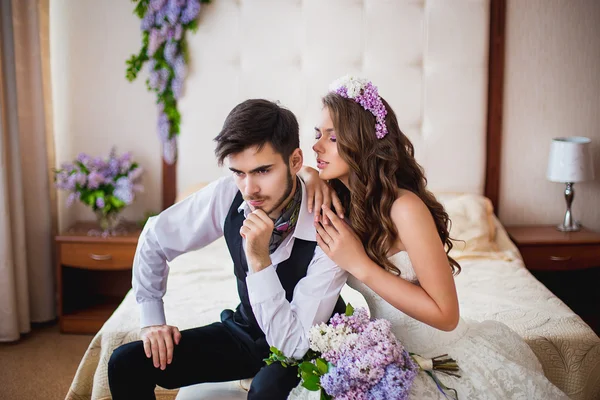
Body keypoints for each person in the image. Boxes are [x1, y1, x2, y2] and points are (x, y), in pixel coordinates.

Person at [289, 76, 568, 399]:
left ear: (363, 143)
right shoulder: (344, 203)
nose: (316, 146)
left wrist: (361, 265)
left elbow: (446, 316)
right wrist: (308, 174)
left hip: (442, 356)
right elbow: (282, 179)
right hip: (384, 362)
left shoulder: (405, 208)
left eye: (333, 138)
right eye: (317, 134)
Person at [107, 99, 348, 400]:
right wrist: (152, 319)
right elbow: (155, 236)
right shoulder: (228, 195)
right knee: (125, 363)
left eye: (262, 171)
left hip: (305, 344)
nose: (250, 190)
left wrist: (259, 259)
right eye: (239, 172)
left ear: (296, 161)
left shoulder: (329, 224)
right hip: (245, 335)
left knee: (266, 389)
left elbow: (295, 344)